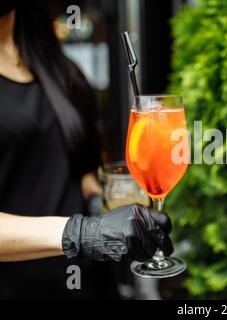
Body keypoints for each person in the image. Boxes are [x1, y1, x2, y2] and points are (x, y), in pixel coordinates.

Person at [0, 1, 172, 298]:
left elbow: (75, 170)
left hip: (90, 284)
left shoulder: (53, 64)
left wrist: (103, 201)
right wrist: (83, 233)